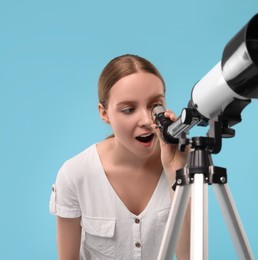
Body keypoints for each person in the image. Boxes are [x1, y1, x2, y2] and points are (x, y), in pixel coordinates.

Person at [49, 54, 190, 259]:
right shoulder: (75, 174)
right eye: (128, 109)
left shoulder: (185, 162)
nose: (146, 120)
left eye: (155, 106)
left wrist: (174, 171)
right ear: (104, 113)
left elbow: (190, 256)